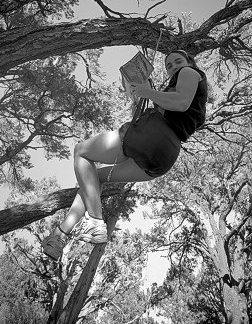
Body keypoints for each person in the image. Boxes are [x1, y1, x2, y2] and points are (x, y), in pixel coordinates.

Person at [42, 49, 208, 261]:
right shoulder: (174, 92)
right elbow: (175, 103)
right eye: (169, 65)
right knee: (96, 178)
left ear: (189, 62)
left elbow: (181, 102)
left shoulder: (189, 72)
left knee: (81, 152)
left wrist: (148, 93)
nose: (174, 66)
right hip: (163, 158)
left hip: (150, 136)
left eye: (178, 61)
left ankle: (94, 220)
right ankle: (59, 235)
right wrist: (139, 90)